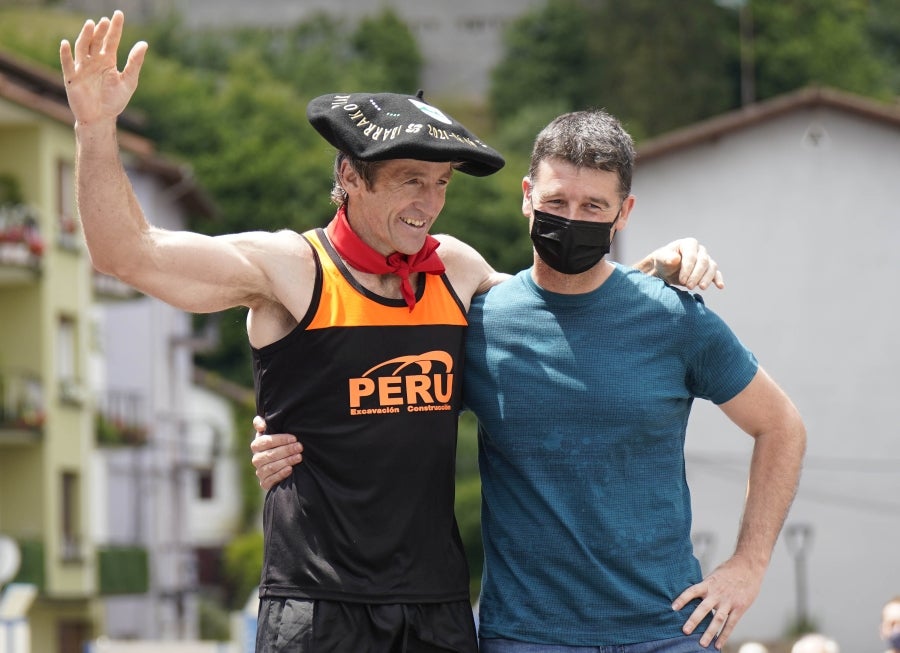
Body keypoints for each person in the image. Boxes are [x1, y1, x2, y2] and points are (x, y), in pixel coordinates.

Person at [60, 11, 721, 653]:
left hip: (437, 609)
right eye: (410, 182)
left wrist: (650, 269)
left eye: (440, 184)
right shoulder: (292, 268)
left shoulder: (454, 268)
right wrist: (95, 126)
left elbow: (556, 317)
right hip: (320, 605)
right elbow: (127, 254)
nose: (428, 204)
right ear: (350, 175)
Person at [253, 109, 807, 652]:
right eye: (556, 202)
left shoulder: (674, 318)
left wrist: (748, 566)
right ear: (526, 197)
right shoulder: (477, 322)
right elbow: (379, 407)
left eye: (593, 206)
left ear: (624, 212)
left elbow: (781, 427)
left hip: (669, 632)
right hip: (525, 635)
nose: (572, 219)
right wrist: (289, 439)